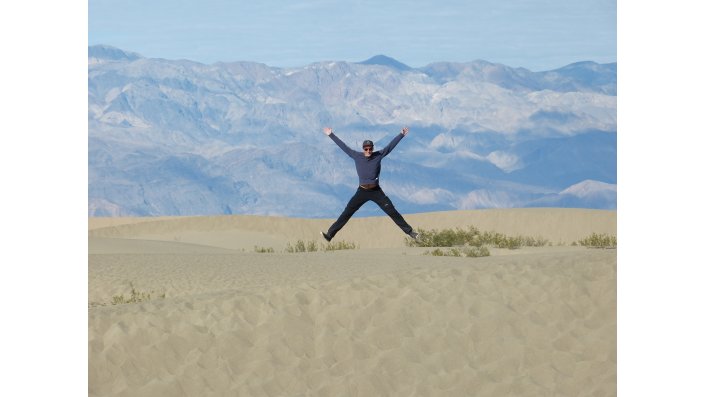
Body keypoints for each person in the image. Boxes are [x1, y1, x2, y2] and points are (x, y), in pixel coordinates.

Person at [320, 126, 420, 242]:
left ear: (372, 148)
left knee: (392, 211)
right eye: (366, 149)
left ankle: (411, 232)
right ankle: (330, 235)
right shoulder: (356, 156)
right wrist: (331, 134)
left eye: (370, 149)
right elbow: (343, 147)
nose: (368, 151)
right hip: (362, 191)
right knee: (347, 213)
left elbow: (390, 147)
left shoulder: (378, 155)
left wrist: (401, 135)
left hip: (376, 191)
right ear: (363, 149)